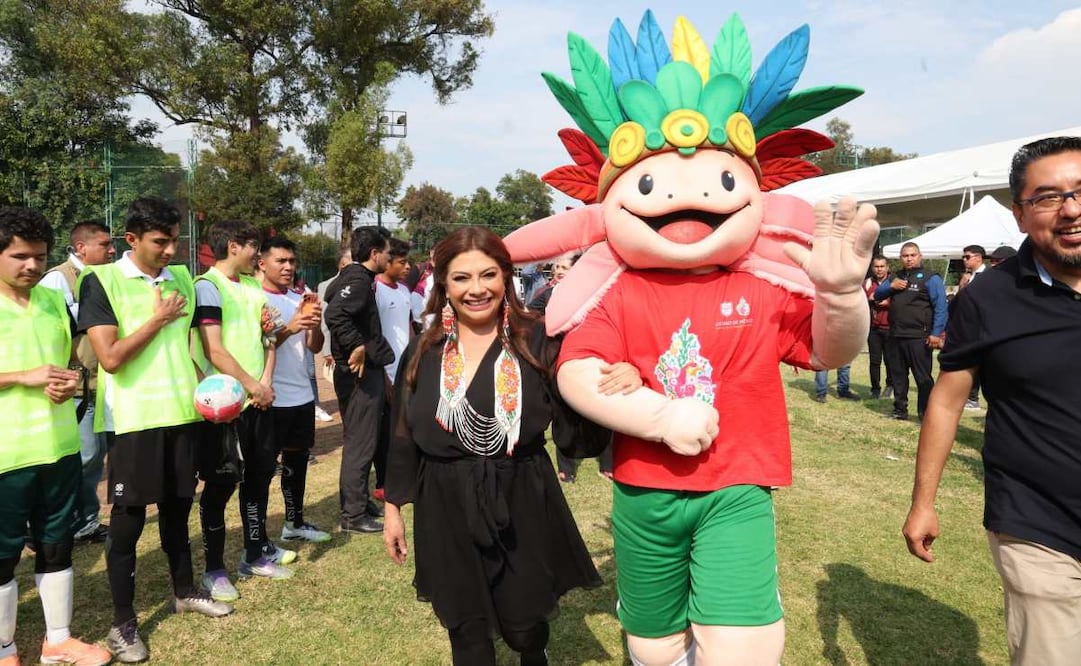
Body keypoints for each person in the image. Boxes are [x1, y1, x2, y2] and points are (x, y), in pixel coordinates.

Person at [382, 226, 607, 666]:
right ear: (442, 283)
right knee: (465, 630)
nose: (477, 289)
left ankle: (532, 650)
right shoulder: (423, 352)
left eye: (488, 275)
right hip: (443, 503)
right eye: (462, 278)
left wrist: (605, 384)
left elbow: (575, 425)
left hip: (520, 494)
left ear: (505, 277)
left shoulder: (537, 341)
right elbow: (403, 434)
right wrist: (393, 508)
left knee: (524, 626)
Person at [903, 136, 1081, 665]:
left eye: (1079, 192)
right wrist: (923, 502)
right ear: (1019, 216)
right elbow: (946, 401)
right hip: (1040, 525)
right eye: (1048, 197)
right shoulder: (988, 297)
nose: (1071, 209)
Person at [78, 198, 232, 663]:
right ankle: (123, 623)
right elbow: (110, 357)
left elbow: (190, 344)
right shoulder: (100, 280)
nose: (170, 251)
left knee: (177, 508)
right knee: (126, 524)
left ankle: (184, 591)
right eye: (159, 242)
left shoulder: (182, 278)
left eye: (174, 241)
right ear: (132, 240)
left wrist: (208, 384)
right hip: (133, 420)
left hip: (182, 415)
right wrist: (158, 318)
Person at [0, 207, 112, 666]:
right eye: (20, 257)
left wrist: (66, 380)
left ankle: (58, 641)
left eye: (39, 256)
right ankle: (5, 648)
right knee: (4, 553)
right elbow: (27, 370)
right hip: (7, 454)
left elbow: (64, 356)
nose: (31, 265)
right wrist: (23, 376)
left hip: (60, 445)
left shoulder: (50, 299)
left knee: (56, 543)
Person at [194, 218, 292, 605]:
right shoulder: (208, 286)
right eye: (253, 245)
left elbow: (269, 338)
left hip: (259, 400)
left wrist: (264, 384)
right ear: (234, 246)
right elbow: (214, 349)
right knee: (219, 486)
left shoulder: (252, 287)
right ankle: (213, 569)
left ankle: (254, 553)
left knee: (259, 478)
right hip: (225, 408)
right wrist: (251, 386)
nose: (258, 253)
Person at [39, 221, 115, 544]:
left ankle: (85, 521)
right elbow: (49, 331)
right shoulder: (58, 278)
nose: (112, 250)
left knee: (95, 457)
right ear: (81, 248)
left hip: (104, 383)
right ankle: (48, 523)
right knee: (81, 456)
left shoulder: (109, 277)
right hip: (76, 386)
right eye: (104, 245)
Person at [259, 237, 332, 544]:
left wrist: (313, 321)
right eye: (281, 261)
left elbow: (313, 347)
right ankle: (257, 538)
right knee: (261, 470)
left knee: (297, 462)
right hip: (269, 397)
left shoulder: (298, 297)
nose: (288, 267)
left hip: (302, 395)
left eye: (292, 261)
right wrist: (291, 325)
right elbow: (259, 345)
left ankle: (294, 523)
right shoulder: (253, 298)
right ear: (262, 263)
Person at [325, 225, 393, 534]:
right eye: (388, 253)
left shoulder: (354, 278)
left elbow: (331, 297)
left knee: (362, 439)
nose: (390, 259)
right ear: (375, 253)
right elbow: (336, 313)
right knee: (360, 444)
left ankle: (360, 501)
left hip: (363, 374)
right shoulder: (358, 280)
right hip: (358, 375)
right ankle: (353, 515)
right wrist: (357, 345)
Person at [874, 242, 947, 421]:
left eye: (912, 255)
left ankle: (926, 414)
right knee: (898, 376)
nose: (909, 259)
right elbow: (877, 295)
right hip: (896, 335)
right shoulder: (895, 277)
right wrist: (890, 286)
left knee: (923, 378)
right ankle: (900, 410)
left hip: (919, 337)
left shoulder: (931, 278)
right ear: (900, 258)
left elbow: (941, 307)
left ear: (919, 256)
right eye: (905, 256)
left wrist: (936, 333)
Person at [374, 237, 413, 502]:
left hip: (406, 368)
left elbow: (408, 327)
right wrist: (384, 376)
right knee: (386, 431)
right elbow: (374, 334)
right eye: (401, 262)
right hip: (385, 372)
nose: (407, 267)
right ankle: (383, 482)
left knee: (407, 425)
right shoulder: (374, 290)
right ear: (387, 262)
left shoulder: (404, 291)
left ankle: (408, 475)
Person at [316, 246, 351, 415]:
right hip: (338, 349)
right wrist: (327, 349)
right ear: (342, 264)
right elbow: (325, 320)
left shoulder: (365, 283)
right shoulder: (326, 286)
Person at [957, 245, 986, 410]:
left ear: (978, 258)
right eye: (964, 257)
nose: (964, 260)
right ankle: (970, 396)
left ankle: (973, 398)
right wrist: (962, 285)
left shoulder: (986, 276)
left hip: (981, 328)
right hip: (968, 327)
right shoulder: (969, 276)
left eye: (967, 257)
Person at [863, 255, 893, 400]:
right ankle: (875, 388)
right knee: (874, 360)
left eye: (882, 266)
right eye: (876, 266)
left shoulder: (894, 281)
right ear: (872, 268)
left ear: (887, 267)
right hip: (873, 328)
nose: (879, 269)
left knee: (890, 360)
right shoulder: (867, 283)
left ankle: (889, 386)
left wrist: (888, 302)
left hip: (890, 327)